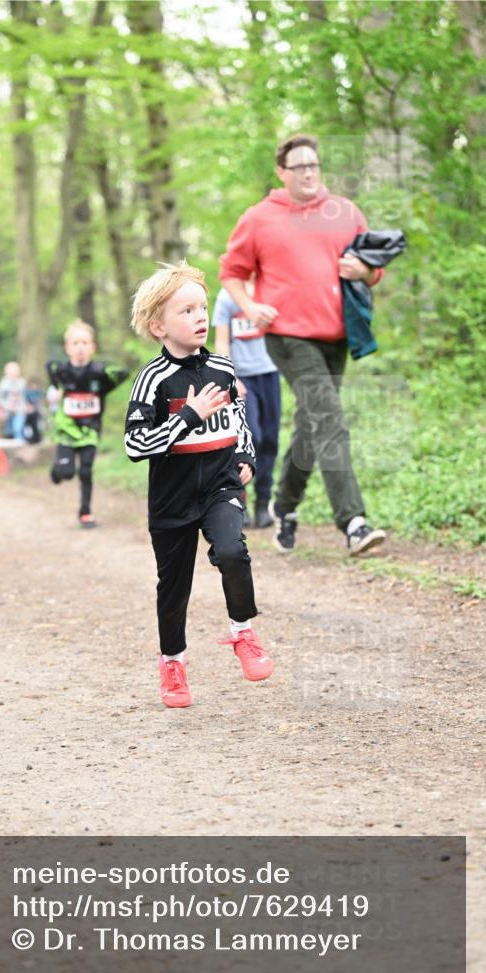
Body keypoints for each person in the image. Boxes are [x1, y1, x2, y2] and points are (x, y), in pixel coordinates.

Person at [220, 133, 386, 556]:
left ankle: (284, 504)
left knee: (312, 426)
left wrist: (363, 270)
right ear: (283, 172)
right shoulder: (259, 217)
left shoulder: (344, 212)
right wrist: (249, 306)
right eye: (300, 166)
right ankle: (354, 522)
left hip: (335, 336)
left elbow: (373, 269)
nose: (309, 172)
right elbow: (232, 272)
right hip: (288, 336)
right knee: (329, 417)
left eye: (314, 164)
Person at [126, 262, 274, 709]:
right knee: (174, 589)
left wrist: (245, 455)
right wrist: (188, 417)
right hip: (172, 498)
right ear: (158, 326)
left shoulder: (224, 369)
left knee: (232, 551)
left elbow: (238, 422)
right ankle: (173, 663)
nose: (200, 317)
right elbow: (136, 443)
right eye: (186, 310)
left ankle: (243, 633)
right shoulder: (152, 380)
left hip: (219, 487)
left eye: (203, 308)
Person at [212, 278, 281, 528]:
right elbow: (221, 341)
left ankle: (263, 503)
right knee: (251, 438)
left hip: (270, 373)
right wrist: (231, 379)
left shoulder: (270, 288)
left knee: (271, 439)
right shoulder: (227, 296)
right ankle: (239, 501)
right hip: (243, 380)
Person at [47, 320, 128, 528]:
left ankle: (85, 511)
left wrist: (108, 380)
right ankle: (57, 471)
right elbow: (50, 369)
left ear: (92, 347)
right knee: (67, 473)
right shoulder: (61, 370)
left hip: (90, 429)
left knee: (85, 470)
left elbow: (122, 374)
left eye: (85, 342)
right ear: (67, 348)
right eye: (75, 343)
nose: (80, 347)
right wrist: (55, 389)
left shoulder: (100, 373)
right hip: (66, 428)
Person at [0, 361, 27, 440]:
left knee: (18, 429)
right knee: (8, 431)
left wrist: (24, 406)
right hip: (7, 411)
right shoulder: (3, 384)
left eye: (15, 371)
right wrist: (6, 407)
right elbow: (0, 398)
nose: (14, 373)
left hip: (20, 409)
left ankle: (20, 444)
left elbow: (25, 397)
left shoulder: (22, 382)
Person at [23, 376, 43, 444]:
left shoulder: (39, 392)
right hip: (29, 412)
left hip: (37, 412)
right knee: (29, 426)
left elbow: (40, 402)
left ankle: (37, 438)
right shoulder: (27, 392)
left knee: (37, 426)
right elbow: (26, 401)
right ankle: (30, 439)